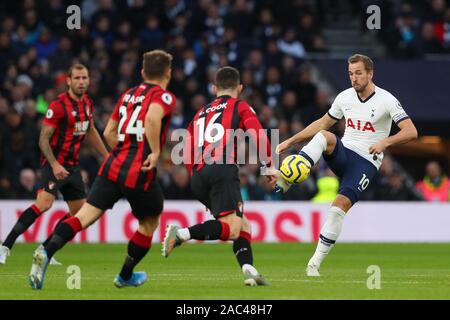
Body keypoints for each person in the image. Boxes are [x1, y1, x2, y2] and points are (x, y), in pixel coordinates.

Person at [29, 50, 176, 289]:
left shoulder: (128, 95)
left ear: (142, 72)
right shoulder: (165, 97)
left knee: (83, 216)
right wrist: (156, 152)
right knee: (150, 222)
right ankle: (125, 275)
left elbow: (108, 132)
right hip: (138, 170)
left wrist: (125, 150)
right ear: (168, 73)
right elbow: (152, 119)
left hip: (112, 165)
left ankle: (46, 250)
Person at [276, 54, 418, 276]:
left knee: (337, 209)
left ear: (370, 73)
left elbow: (411, 131)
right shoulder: (344, 97)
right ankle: (288, 177)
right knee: (325, 134)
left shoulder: (386, 100)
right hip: (344, 152)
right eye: (351, 74)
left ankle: (314, 264)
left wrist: (385, 142)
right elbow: (322, 123)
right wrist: (291, 140)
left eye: (359, 73)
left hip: (365, 163)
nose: (354, 78)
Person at [162, 66, 275, 286]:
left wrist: (201, 179)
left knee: (243, 225)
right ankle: (182, 233)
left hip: (198, 174)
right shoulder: (240, 106)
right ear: (239, 88)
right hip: (222, 168)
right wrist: (268, 165)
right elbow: (257, 134)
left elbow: (186, 151)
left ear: (214, 88)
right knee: (233, 229)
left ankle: (249, 270)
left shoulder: (199, 113)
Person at [0, 64, 108, 265]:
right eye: (77, 78)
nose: (82, 82)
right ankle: (5, 246)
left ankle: (44, 250)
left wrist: (107, 156)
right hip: (54, 164)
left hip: (72, 166)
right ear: (68, 81)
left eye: (85, 78)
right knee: (44, 204)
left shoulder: (88, 104)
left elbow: (91, 131)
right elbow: (43, 140)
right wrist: (55, 164)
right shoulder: (58, 106)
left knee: (80, 213)